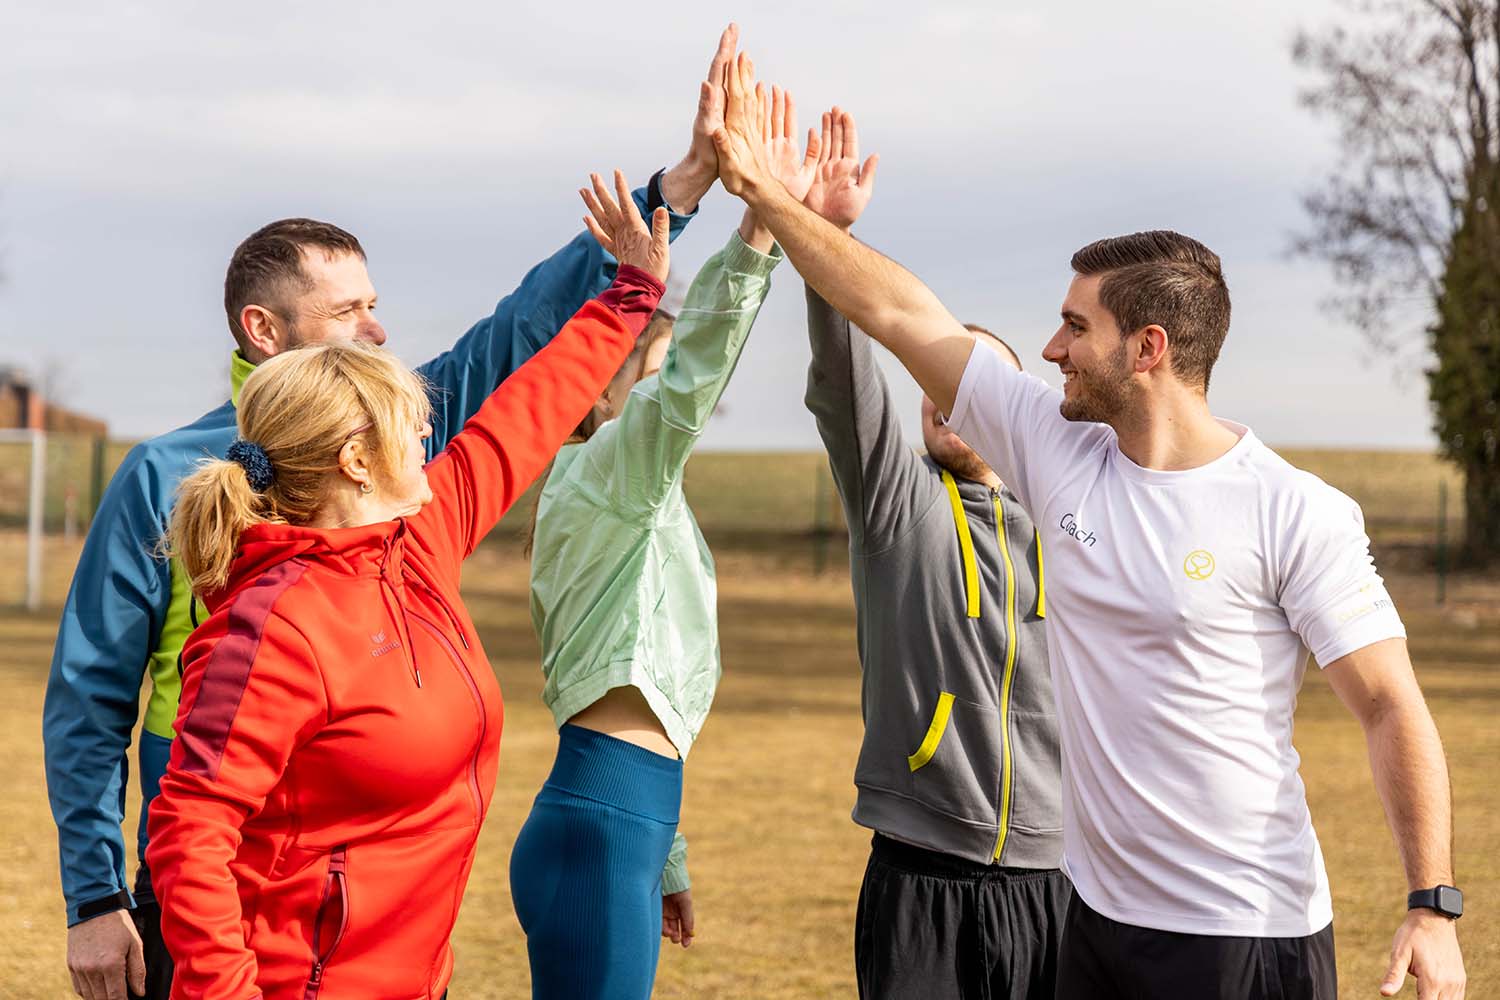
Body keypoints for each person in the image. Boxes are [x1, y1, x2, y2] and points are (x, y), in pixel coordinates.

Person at [709, 48, 1466, 1000]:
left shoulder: (1294, 510)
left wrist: (1430, 903)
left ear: (1147, 348)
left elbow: (1391, 705)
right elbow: (899, 315)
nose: (1050, 348)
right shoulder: (1053, 450)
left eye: (1075, 327)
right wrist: (767, 200)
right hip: (1095, 929)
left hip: (1243, 935)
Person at [42, 25, 739, 1000]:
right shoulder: (255, 595)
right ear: (352, 454)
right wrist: (97, 899)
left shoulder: (413, 521)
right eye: (353, 315)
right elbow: (152, 783)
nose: (429, 426)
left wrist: (646, 262)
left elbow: (528, 385)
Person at [142, 171, 669, 1000]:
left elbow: (528, 408)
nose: (429, 426)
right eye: (409, 419)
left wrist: (632, 294)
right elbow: (188, 833)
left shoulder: (419, 537)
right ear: (357, 461)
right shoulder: (271, 627)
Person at [510, 81, 812, 1000]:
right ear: (591, 388)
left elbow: (630, 664)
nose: (654, 375)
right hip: (604, 823)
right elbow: (687, 379)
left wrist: (666, 853)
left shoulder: (610, 485)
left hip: (621, 818)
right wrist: (760, 224)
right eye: (637, 358)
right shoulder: (610, 472)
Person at [799, 108, 1069, 999]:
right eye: (931, 388)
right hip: (918, 869)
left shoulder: (1072, 518)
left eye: (965, 385)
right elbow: (844, 384)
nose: (941, 401)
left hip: (1060, 875)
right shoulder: (897, 501)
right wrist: (829, 237)